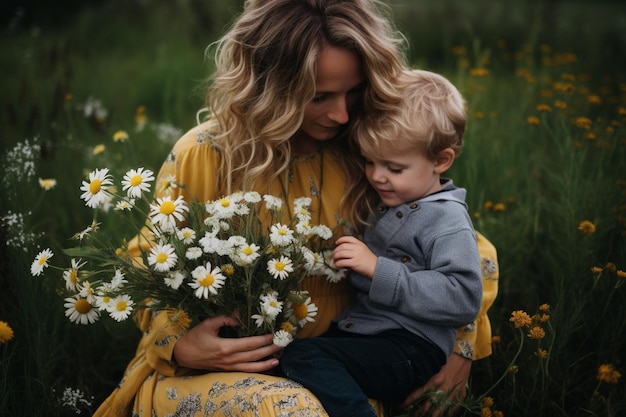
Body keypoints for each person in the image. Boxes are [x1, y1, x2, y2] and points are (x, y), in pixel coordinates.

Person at [93, 1, 498, 416]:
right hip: (218, 372)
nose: (341, 114)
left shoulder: (366, 153)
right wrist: (181, 344)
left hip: (340, 364)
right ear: (269, 88)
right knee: (293, 409)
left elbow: (468, 251)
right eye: (319, 96)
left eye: (354, 91)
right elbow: (147, 265)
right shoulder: (207, 155)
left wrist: (459, 348)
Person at [279, 69, 483, 417]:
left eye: (394, 167)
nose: (376, 175)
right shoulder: (396, 202)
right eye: (370, 161)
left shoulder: (446, 220)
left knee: (303, 357)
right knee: (289, 356)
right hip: (373, 335)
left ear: (441, 161)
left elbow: (463, 296)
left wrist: (377, 268)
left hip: (412, 346)